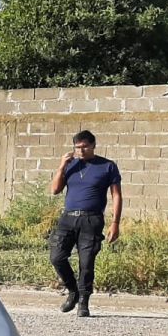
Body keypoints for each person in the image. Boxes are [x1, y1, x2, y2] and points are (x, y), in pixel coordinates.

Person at [48, 130, 122, 317]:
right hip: (68, 218)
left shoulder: (107, 166)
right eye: (77, 147)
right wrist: (62, 166)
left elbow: (116, 195)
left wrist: (115, 223)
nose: (81, 150)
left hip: (92, 220)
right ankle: (73, 291)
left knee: (86, 262)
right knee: (57, 257)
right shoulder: (70, 165)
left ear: (93, 145)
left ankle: (83, 302)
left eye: (85, 146)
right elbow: (55, 190)